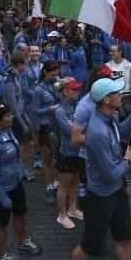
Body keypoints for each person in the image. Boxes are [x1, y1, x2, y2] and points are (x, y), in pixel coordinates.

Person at [55, 78, 131, 260]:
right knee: (90, 245)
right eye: (117, 94)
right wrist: (128, 161)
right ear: (107, 100)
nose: (121, 96)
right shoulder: (97, 131)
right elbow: (110, 174)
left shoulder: (108, 118)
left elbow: (119, 131)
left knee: (123, 237)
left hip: (117, 192)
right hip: (101, 197)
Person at [71, 66, 131, 241]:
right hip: (93, 162)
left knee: (123, 194)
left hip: (115, 160)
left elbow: (118, 132)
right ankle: (96, 237)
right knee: (99, 206)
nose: (119, 92)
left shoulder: (110, 112)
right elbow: (76, 138)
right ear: (104, 96)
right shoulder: (85, 107)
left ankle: (127, 227)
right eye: (113, 87)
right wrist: (101, 140)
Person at [0, 101, 42, 260]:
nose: (12, 117)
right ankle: (4, 255)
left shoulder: (7, 130)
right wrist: (3, 197)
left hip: (15, 184)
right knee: (1, 223)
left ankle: (23, 241)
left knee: (20, 214)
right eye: (8, 116)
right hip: (0, 190)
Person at [54, 78, 85, 229]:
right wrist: (78, 127)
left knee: (75, 182)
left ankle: (72, 209)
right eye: (74, 89)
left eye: (77, 89)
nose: (77, 91)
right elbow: (69, 131)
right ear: (65, 91)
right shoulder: (60, 111)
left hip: (78, 152)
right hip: (67, 153)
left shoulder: (78, 106)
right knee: (64, 185)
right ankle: (62, 215)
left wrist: (76, 126)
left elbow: (80, 127)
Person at [31, 60, 61, 204]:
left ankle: (56, 184)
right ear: (45, 72)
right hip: (46, 127)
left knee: (57, 158)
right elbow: (34, 110)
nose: (55, 76)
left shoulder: (57, 83)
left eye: (57, 74)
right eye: (52, 74)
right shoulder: (38, 90)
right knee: (48, 159)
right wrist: (50, 109)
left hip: (58, 126)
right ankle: (49, 187)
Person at [3, 52, 35, 180]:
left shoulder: (17, 77)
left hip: (21, 114)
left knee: (28, 143)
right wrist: (22, 122)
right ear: (19, 65)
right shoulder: (10, 81)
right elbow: (12, 106)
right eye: (25, 64)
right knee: (20, 145)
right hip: (15, 118)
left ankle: (21, 169)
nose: (26, 67)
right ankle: (19, 171)